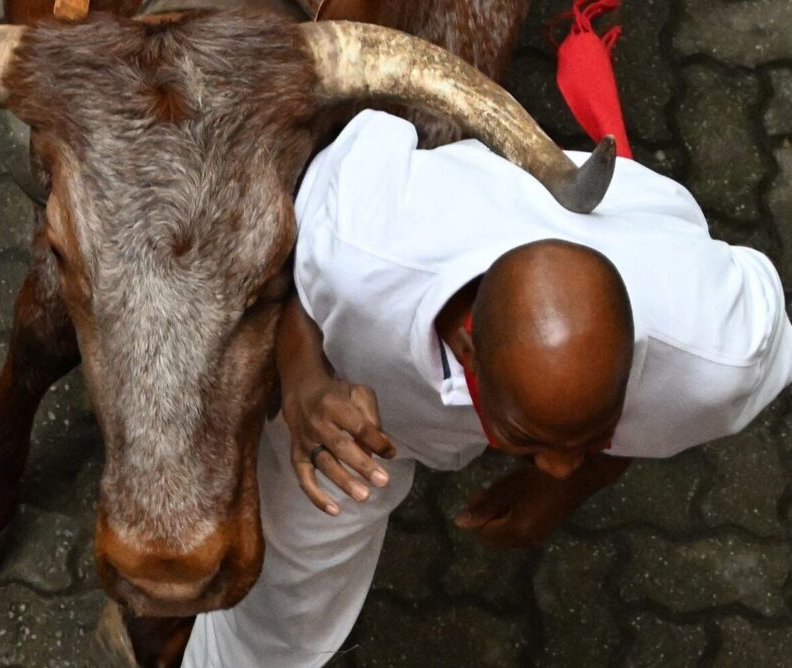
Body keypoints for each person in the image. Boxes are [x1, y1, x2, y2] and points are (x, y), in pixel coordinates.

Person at [181, 109, 792, 667]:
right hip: (360, 387)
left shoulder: (718, 357)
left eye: (596, 429)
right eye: (531, 440)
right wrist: (306, 387)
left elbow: (642, 416)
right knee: (274, 613)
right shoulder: (362, 247)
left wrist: (575, 487)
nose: (555, 467)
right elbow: (291, 273)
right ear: (467, 349)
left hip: (639, 245)